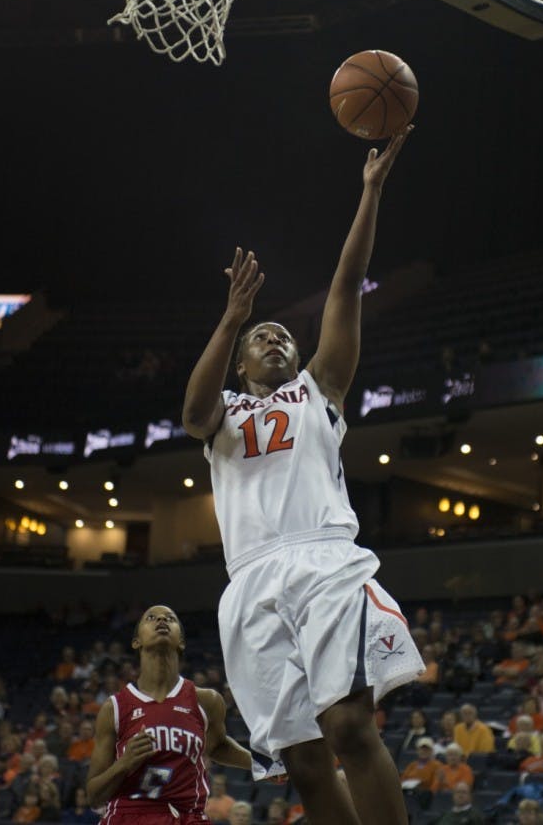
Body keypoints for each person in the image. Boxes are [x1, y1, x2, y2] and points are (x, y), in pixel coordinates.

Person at [181, 128, 423, 825]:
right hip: (250, 580)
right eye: (264, 336)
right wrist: (231, 319)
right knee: (307, 765)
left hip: (321, 561)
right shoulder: (222, 410)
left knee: (349, 727)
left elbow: (346, 285)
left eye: (284, 334)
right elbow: (192, 413)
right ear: (241, 362)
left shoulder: (321, 387)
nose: (276, 337)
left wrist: (370, 191)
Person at [86, 604, 252, 825]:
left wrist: (261, 764)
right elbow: (94, 795)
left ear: (181, 641)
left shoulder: (206, 701)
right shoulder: (114, 707)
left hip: (188, 816)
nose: (161, 621)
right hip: (130, 815)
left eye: (170, 618)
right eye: (151, 618)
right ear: (137, 641)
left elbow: (216, 746)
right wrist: (124, 763)